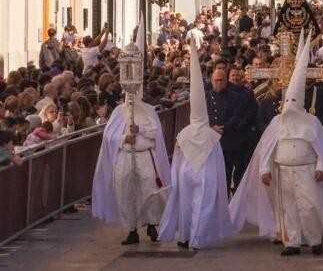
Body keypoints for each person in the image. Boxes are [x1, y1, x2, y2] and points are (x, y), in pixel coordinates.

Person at [230, 31, 323, 256]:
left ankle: (315, 239)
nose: (289, 103)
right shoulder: (277, 122)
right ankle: (292, 242)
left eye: (293, 100)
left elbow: (322, 148)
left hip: (307, 170)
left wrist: (321, 167)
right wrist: (264, 169)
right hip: (283, 172)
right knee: (287, 209)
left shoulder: (312, 122)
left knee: (310, 206)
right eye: (287, 99)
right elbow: (267, 147)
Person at [158, 40, 233, 249]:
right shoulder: (210, 135)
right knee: (202, 205)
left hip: (186, 174)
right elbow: (217, 162)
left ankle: (185, 236)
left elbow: (177, 159)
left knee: (186, 204)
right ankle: (196, 237)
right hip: (204, 173)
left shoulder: (184, 133)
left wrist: (176, 175)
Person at [92, 89, 172, 245]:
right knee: (127, 194)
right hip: (126, 157)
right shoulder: (119, 112)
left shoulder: (149, 111)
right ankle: (132, 230)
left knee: (151, 193)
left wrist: (140, 130)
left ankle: (152, 224)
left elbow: (156, 133)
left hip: (146, 156)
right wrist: (124, 138)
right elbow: (109, 135)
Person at [206, 69, 243, 195]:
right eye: (216, 80)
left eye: (221, 80)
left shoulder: (234, 97)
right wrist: (211, 128)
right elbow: (203, 116)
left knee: (226, 174)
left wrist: (223, 128)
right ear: (212, 81)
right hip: (210, 140)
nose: (219, 83)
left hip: (227, 140)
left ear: (226, 81)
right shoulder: (206, 97)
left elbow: (236, 116)